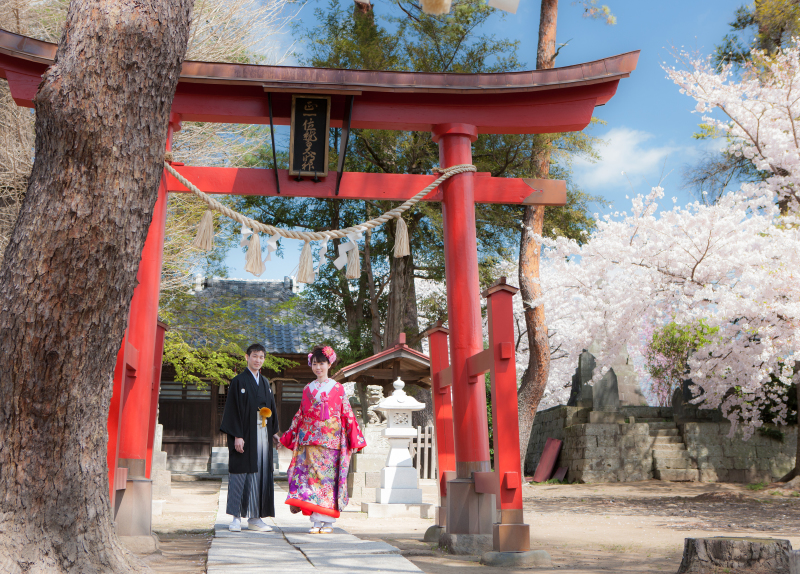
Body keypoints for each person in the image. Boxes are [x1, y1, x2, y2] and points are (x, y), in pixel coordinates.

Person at [279, 345, 366, 533]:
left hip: (330, 441)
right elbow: (300, 415)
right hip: (309, 440)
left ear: (329, 364)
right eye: (315, 364)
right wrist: (289, 434)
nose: (318, 367)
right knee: (312, 479)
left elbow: (347, 414)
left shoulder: (337, 388)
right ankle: (316, 520)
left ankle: (327, 521)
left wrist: (354, 438)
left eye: (322, 363)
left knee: (327, 480)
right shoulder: (307, 389)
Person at [220, 343, 279, 532]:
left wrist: (274, 432)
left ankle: (255, 517)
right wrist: (237, 434)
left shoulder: (265, 383)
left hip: (262, 433)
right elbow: (233, 410)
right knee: (240, 473)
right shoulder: (238, 381)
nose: (258, 360)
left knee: (260, 474)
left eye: (261, 357)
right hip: (244, 433)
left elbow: (272, 409)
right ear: (247, 357)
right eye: (255, 356)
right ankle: (236, 517)